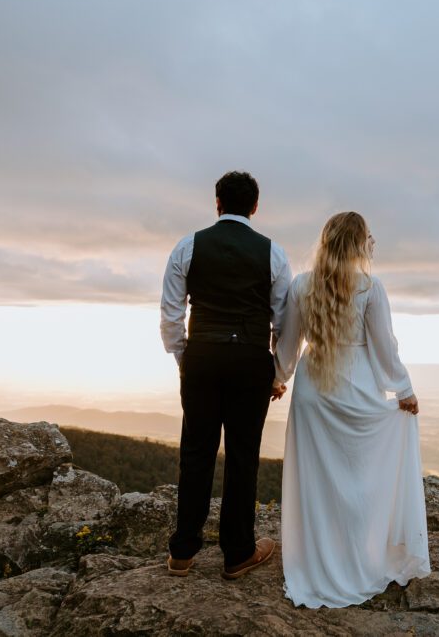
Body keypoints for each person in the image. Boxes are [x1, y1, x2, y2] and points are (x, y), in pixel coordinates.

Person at [274, 211, 431, 608]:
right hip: (357, 390)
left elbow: (288, 344)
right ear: (361, 244)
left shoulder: (300, 286)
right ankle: (357, 559)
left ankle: (317, 562)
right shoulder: (369, 288)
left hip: (313, 394)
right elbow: (384, 347)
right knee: (361, 482)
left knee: (319, 485)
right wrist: (404, 390)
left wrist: (279, 377)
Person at [160, 171, 292, 580]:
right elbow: (284, 320)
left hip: (202, 356)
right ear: (255, 206)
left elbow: (171, 314)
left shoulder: (188, 246)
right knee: (242, 457)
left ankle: (183, 553)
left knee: (195, 452)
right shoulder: (274, 253)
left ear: (217, 202)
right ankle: (237, 554)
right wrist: (277, 371)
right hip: (251, 360)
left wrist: (185, 357)